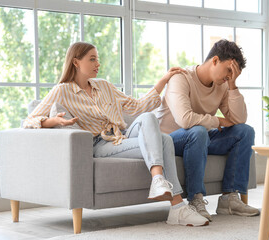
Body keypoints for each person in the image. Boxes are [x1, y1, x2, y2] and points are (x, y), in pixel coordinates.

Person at [23, 41, 209, 227]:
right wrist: (54, 121)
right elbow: (29, 120)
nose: (98, 64)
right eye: (92, 59)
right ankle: (177, 208)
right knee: (165, 140)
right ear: (76, 62)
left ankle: (159, 181)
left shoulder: (104, 86)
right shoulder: (62, 91)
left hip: (123, 136)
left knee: (149, 120)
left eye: (98, 59)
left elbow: (137, 107)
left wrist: (164, 79)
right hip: (100, 144)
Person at [156, 39, 260, 221]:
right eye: (229, 70)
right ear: (215, 60)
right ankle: (196, 199)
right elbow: (185, 119)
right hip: (170, 140)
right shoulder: (181, 78)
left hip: (199, 138)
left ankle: (229, 198)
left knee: (245, 131)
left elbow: (238, 120)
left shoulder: (223, 85)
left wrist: (233, 86)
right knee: (198, 131)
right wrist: (217, 120)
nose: (230, 76)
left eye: (234, 73)